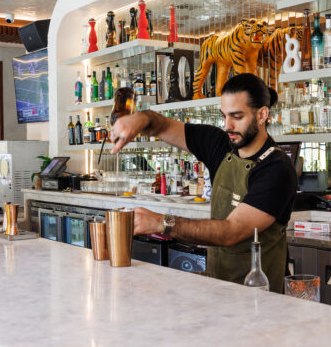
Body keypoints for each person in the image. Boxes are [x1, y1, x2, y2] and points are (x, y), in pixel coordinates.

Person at [110, 73, 298, 292]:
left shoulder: (276, 168)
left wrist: (162, 222)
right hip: (221, 288)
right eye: (224, 116)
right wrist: (140, 119)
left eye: (237, 117)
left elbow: (232, 232)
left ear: (262, 115)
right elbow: (161, 126)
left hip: (262, 296)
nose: (227, 126)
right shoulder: (220, 144)